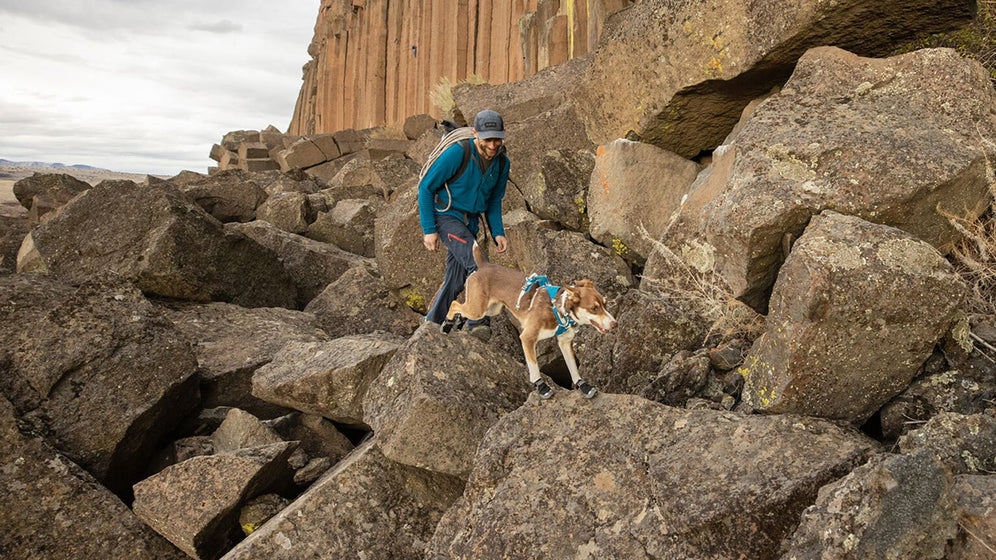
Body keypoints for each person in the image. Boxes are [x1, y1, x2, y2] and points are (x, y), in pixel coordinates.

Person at [419, 109, 510, 340]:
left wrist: (498, 232)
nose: (492, 145)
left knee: (455, 281)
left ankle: (431, 325)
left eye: (497, 139)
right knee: (479, 264)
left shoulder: (501, 162)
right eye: (487, 139)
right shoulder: (458, 153)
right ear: (475, 134)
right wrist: (429, 229)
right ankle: (478, 322)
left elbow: (494, 201)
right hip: (446, 216)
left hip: (470, 224)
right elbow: (426, 187)